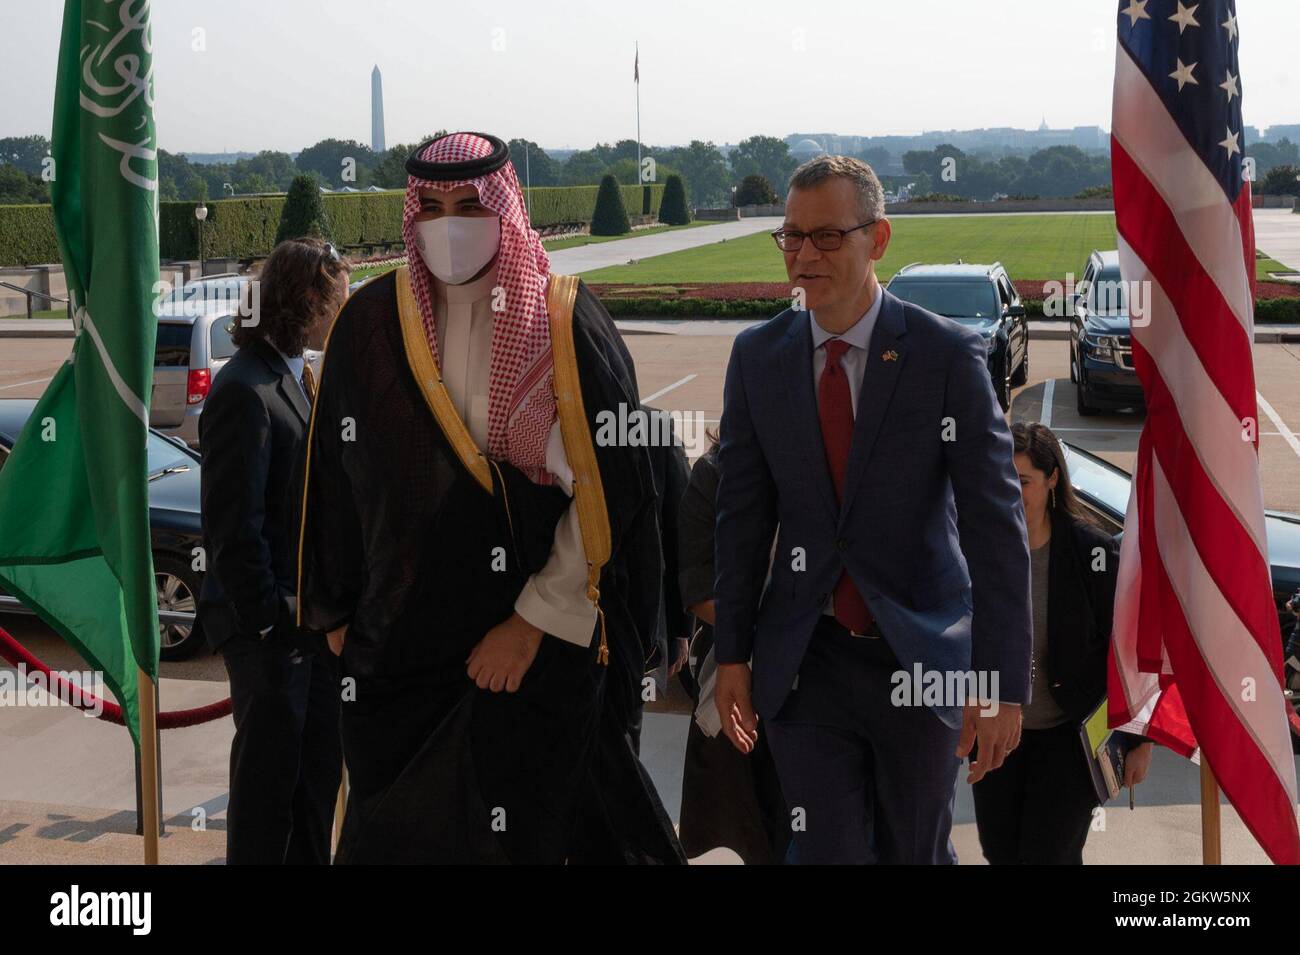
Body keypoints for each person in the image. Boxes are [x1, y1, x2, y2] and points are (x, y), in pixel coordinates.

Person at [296, 131, 682, 864]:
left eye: (470, 203)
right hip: (401, 657)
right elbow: (335, 479)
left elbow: (614, 495)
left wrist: (532, 622)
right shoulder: (373, 323)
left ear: (506, 205)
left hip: (527, 655)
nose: (449, 222)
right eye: (432, 206)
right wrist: (339, 612)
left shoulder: (565, 321)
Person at [713, 154, 1032, 864]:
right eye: (792, 236)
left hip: (919, 657)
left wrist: (1001, 681)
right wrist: (731, 651)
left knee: (912, 850)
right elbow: (741, 519)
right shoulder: (757, 358)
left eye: (826, 236)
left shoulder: (949, 357)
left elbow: (995, 528)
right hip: (806, 662)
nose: (803, 254)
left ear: (878, 239)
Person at [196, 237, 350, 865]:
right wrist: (275, 620)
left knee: (313, 788)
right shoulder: (244, 389)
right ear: (309, 298)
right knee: (268, 801)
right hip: (271, 634)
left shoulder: (293, 376)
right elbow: (234, 532)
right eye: (340, 296)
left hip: (307, 627)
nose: (346, 308)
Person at [972, 422, 1153, 864]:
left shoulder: (1092, 553)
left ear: (1052, 480)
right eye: (1004, 478)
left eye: (1025, 481)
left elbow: (1129, 650)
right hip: (998, 736)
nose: (1013, 491)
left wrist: (1140, 740)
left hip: (1068, 742)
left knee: (1047, 856)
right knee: (1001, 853)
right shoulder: (978, 547)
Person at [677, 430, 790, 864]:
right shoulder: (714, 475)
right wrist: (772, 631)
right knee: (742, 828)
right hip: (735, 680)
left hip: (817, 682)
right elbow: (699, 589)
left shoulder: (822, 465)